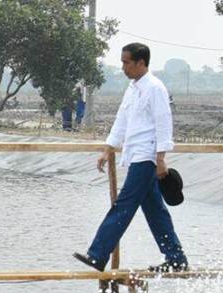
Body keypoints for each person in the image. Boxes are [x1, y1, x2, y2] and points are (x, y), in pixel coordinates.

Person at [73, 43, 189, 273]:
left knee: (123, 206)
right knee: (155, 211)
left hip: (147, 157)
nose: (123, 67)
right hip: (135, 154)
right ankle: (176, 258)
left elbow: (163, 122)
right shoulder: (133, 88)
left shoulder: (155, 88)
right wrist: (109, 148)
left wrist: (161, 158)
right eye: (123, 62)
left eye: (127, 62)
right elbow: (122, 120)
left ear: (141, 63)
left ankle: (98, 254)